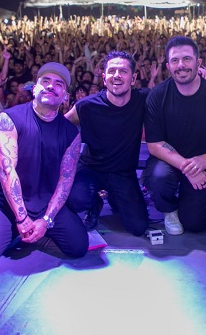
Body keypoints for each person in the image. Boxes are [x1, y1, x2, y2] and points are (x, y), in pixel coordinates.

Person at [0, 62, 88, 275]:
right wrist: (21, 219)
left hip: (45, 204)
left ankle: (32, 230)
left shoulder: (71, 133)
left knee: (78, 248)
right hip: (8, 206)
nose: (51, 86)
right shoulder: (8, 120)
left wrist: (46, 221)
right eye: (45, 81)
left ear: (65, 96)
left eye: (58, 84)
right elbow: (6, 171)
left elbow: (65, 181)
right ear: (34, 88)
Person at [141, 36, 206, 235]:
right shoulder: (158, 95)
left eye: (187, 59)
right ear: (168, 66)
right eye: (175, 61)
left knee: (195, 223)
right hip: (169, 162)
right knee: (159, 178)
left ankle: (195, 200)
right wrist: (190, 169)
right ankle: (169, 210)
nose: (181, 65)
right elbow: (155, 145)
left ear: (199, 62)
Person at [65, 51, 158, 236]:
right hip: (91, 169)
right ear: (104, 77)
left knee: (138, 227)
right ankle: (94, 203)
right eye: (112, 71)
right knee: (76, 199)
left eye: (123, 71)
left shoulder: (144, 99)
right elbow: (60, 127)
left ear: (133, 78)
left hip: (123, 173)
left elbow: (172, 90)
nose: (116, 75)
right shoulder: (87, 106)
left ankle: (116, 199)